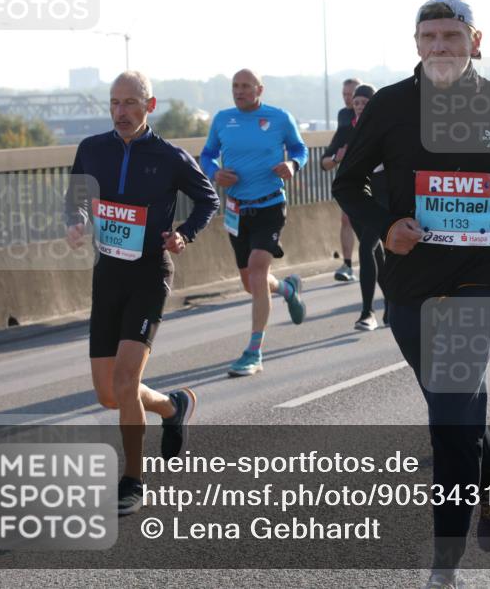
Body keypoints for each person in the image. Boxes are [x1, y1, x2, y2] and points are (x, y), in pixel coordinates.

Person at [333, 0, 490, 589]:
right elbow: (348, 181)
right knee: (453, 409)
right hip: (409, 275)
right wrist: (385, 227)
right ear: (416, 44)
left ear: (475, 41)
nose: (440, 47)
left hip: (481, 274)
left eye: (451, 37)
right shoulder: (389, 106)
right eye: (429, 37)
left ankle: (443, 566)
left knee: (448, 410)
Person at [64, 71, 219, 515]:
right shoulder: (92, 149)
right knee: (109, 393)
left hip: (150, 274)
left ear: (149, 107)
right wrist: (75, 221)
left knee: (127, 378)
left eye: (131, 103)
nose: (121, 112)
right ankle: (172, 408)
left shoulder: (169, 156)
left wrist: (184, 233)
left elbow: (207, 199)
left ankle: (133, 478)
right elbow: (75, 196)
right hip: (107, 274)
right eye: (114, 103)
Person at [200, 69, 308, 377]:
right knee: (252, 283)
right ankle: (287, 290)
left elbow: (300, 149)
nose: (239, 91)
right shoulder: (222, 119)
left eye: (246, 86)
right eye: (235, 86)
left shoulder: (279, 118)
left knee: (259, 269)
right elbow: (207, 155)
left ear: (259, 89)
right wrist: (214, 172)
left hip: (270, 205)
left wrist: (292, 163)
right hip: (236, 210)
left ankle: (254, 351)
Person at [337, 83, 389, 331]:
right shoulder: (349, 129)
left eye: (364, 103)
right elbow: (326, 160)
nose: (358, 107)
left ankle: (368, 312)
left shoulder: (386, 126)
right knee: (377, 254)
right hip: (358, 196)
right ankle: (393, 304)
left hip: (383, 195)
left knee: (367, 248)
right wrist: (337, 157)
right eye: (356, 103)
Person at [324, 77, 362, 282]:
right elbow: (337, 143)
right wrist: (334, 158)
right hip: (351, 177)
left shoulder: (375, 114)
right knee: (346, 219)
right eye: (345, 95)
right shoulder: (344, 115)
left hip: (376, 177)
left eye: (352, 95)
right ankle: (347, 264)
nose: (348, 99)